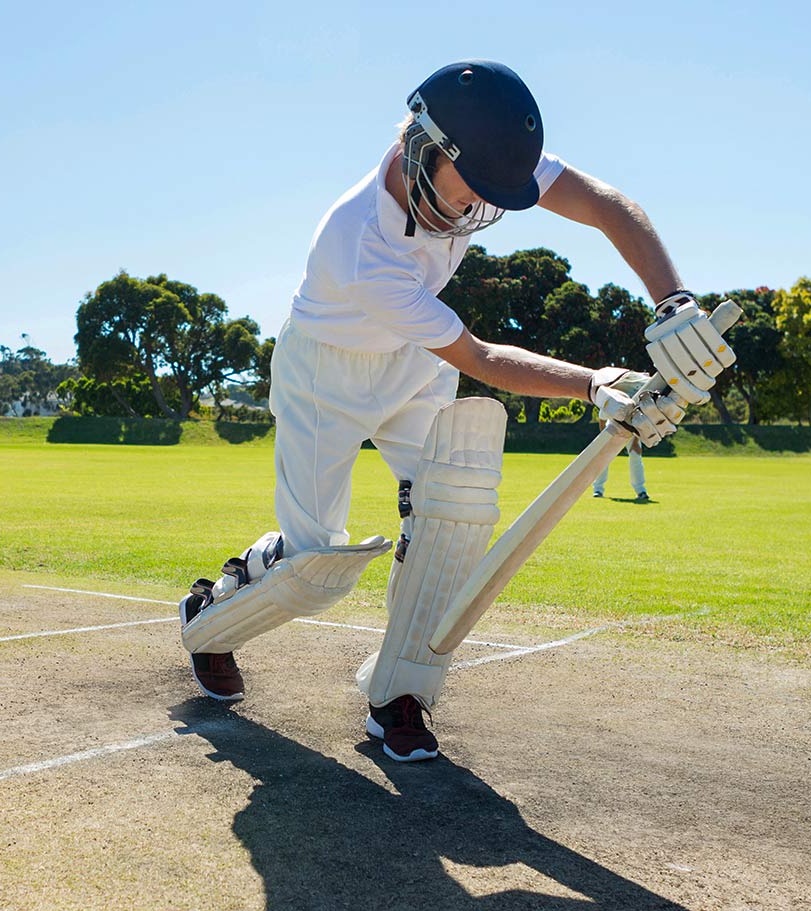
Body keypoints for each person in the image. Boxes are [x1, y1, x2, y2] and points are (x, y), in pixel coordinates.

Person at [176, 60, 702, 762]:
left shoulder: (480, 151)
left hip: (413, 364)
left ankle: (400, 690)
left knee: (448, 513)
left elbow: (607, 206)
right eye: (471, 195)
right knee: (313, 569)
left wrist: (674, 301)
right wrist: (592, 382)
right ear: (426, 148)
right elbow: (480, 358)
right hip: (323, 374)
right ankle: (211, 619)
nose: (475, 212)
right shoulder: (361, 243)